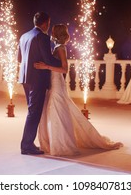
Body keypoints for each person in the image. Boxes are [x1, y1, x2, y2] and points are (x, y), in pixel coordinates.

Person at [35, 24, 122, 156]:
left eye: (53, 31)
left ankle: (62, 144)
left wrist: (46, 67)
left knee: (57, 110)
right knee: (54, 111)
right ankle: (55, 142)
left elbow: (64, 69)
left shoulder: (61, 49)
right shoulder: (57, 48)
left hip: (57, 82)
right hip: (54, 82)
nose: (51, 33)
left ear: (57, 34)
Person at [18, 12, 62, 155]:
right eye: (48, 24)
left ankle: (28, 143)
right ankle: (27, 145)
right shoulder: (42, 37)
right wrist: (62, 62)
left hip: (25, 78)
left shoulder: (24, 36)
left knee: (32, 111)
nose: (48, 27)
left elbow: (19, 58)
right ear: (45, 23)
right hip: (37, 79)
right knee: (34, 112)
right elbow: (48, 60)